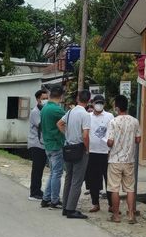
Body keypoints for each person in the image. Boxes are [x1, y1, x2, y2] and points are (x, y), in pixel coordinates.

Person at [106, 94, 142, 224]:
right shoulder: (135, 121)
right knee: (130, 189)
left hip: (115, 160)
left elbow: (110, 142)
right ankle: (131, 215)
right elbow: (138, 140)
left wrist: (110, 142)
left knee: (114, 188)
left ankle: (116, 216)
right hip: (129, 160)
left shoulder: (113, 122)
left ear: (116, 107)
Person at [58, 90, 92, 219]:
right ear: (88, 100)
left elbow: (59, 124)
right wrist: (87, 149)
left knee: (68, 178)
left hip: (68, 147)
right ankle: (71, 209)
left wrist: (67, 134)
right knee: (77, 180)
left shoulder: (70, 111)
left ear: (77, 99)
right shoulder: (85, 115)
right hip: (79, 149)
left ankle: (65, 206)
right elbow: (85, 135)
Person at [85, 94, 113, 213]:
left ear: (104, 104)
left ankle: (112, 205)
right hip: (92, 152)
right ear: (92, 103)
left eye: (101, 103)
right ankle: (95, 203)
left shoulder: (109, 116)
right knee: (93, 180)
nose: (99, 105)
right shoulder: (88, 116)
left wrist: (111, 150)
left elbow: (113, 132)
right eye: (97, 103)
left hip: (106, 152)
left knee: (109, 180)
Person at [40, 86, 66, 210]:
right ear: (60, 96)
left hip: (47, 144)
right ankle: (54, 200)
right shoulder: (57, 110)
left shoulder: (45, 108)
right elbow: (67, 119)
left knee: (52, 173)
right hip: (56, 144)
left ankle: (46, 198)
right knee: (57, 173)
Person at [26, 88, 49, 201]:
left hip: (42, 144)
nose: (45, 100)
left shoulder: (43, 111)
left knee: (40, 169)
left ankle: (38, 190)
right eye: (43, 99)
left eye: (46, 98)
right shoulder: (35, 112)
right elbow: (42, 126)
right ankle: (34, 192)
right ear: (38, 99)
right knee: (37, 169)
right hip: (36, 144)